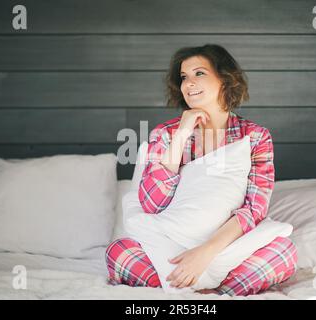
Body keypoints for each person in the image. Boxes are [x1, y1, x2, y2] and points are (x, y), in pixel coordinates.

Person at [105, 44, 298, 296]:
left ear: (225, 80)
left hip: (225, 247)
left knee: (284, 252)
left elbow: (254, 209)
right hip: (171, 245)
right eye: (184, 77)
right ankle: (205, 291)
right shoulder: (165, 134)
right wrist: (182, 134)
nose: (188, 83)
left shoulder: (255, 136)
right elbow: (152, 204)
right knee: (118, 252)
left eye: (199, 73)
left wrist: (205, 253)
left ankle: (203, 292)